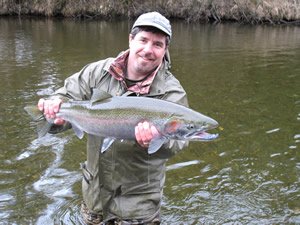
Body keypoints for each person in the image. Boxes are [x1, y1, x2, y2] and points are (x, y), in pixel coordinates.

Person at [38, 12, 189, 225]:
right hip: (94, 196)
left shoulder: (172, 94)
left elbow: (180, 142)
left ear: (165, 50)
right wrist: (54, 110)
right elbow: (66, 95)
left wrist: (157, 140)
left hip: (138, 206)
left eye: (157, 44)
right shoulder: (98, 72)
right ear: (131, 39)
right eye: (143, 40)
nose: (148, 50)